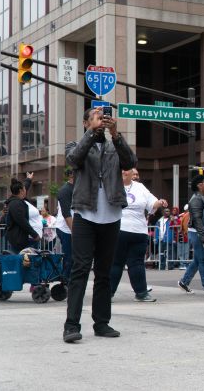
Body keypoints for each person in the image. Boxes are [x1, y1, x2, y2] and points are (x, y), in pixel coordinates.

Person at [63, 107, 137, 343]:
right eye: (94, 116)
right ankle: (71, 325)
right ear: (86, 123)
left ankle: (102, 322)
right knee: (80, 270)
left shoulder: (114, 144)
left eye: (102, 115)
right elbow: (75, 160)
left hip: (112, 215)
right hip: (85, 213)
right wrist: (93, 134)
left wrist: (115, 134)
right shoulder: (76, 144)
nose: (100, 118)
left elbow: (130, 162)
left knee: (104, 272)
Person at [110, 169, 167, 302]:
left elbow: (152, 204)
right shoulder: (111, 184)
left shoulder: (140, 187)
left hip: (139, 231)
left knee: (137, 263)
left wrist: (160, 202)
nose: (124, 173)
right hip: (118, 229)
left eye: (128, 171)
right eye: (122, 170)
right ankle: (108, 293)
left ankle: (141, 293)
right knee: (116, 263)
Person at [177, 175, 204, 294]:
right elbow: (198, 219)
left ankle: (184, 282)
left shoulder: (203, 198)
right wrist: (203, 235)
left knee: (199, 259)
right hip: (198, 233)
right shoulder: (196, 200)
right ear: (200, 186)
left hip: (200, 233)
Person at [5, 177, 40, 252]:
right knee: (24, 261)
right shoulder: (16, 204)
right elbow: (22, 221)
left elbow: (25, 186)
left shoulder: (15, 201)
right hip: (19, 240)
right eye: (24, 189)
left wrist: (28, 179)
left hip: (20, 238)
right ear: (21, 191)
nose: (26, 191)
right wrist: (35, 235)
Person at [54, 169, 75, 282]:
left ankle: (69, 279)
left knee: (73, 257)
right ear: (72, 175)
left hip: (72, 228)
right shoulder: (65, 190)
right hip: (66, 229)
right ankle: (65, 280)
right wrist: (74, 232)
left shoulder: (77, 188)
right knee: (69, 257)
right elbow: (66, 214)